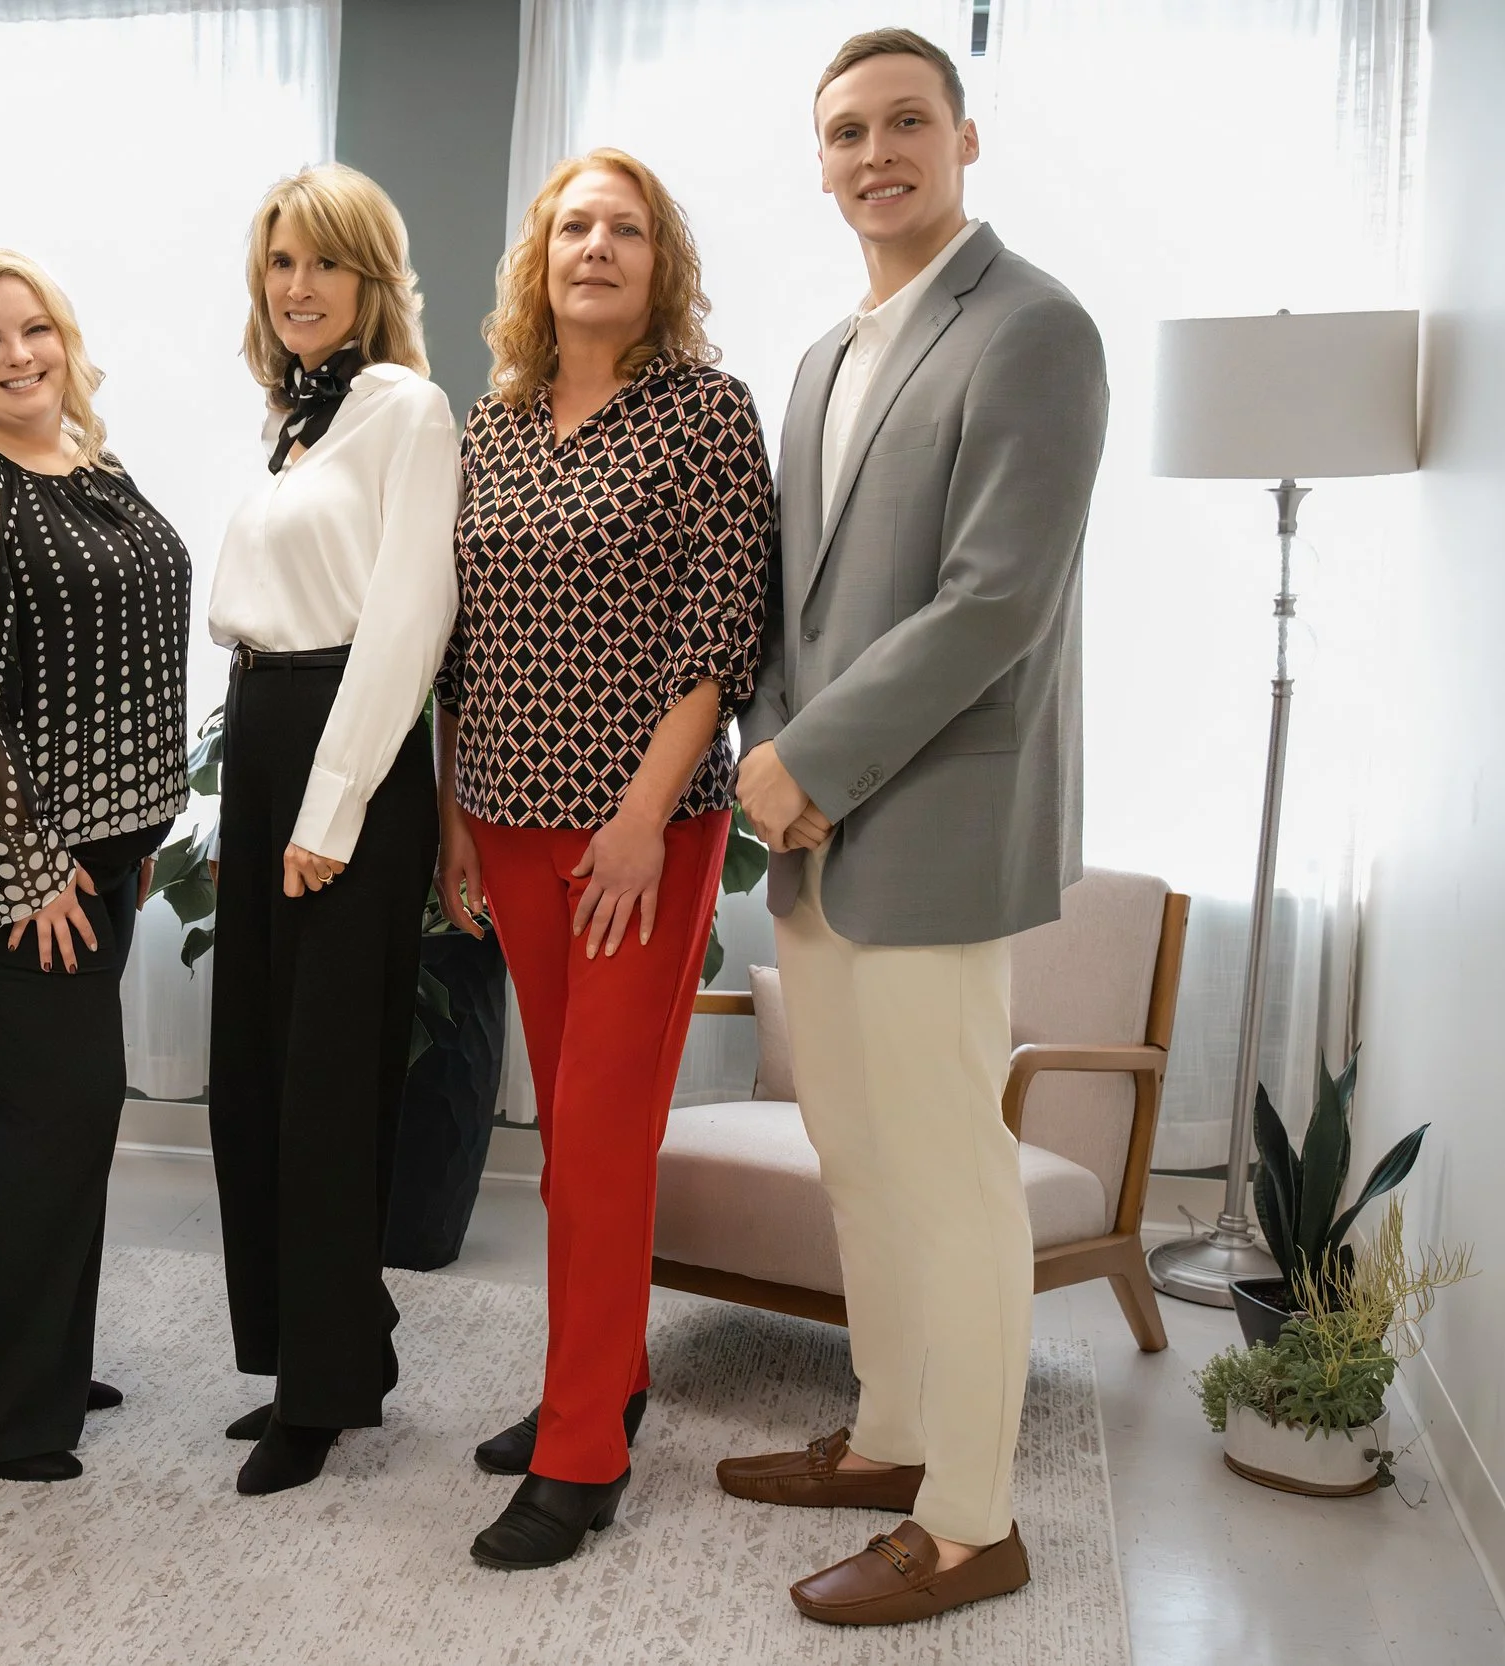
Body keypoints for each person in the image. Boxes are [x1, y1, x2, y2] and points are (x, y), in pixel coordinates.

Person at [724, 29, 1108, 1626]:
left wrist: (808, 761)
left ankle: (970, 1520)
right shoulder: (823, 357)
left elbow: (996, 602)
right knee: (859, 1160)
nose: (874, 154)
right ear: (819, 163)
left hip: (935, 824)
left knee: (951, 1176)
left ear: (964, 137)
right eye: (845, 133)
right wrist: (773, 758)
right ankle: (890, 1436)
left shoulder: (1034, 327)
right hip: (816, 828)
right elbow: (794, 608)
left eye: (904, 124)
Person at [437, 148, 774, 1570]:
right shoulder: (492, 422)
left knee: (597, 1129)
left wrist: (643, 814)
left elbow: (722, 632)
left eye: (626, 229)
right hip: (505, 819)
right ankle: (606, 1372)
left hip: (644, 828)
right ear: (541, 255)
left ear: (660, 260)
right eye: (576, 225)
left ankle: (583, 1453)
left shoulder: (706, 413)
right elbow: (457, 636)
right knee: (578, 1132)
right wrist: (454, 817)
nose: (598, 247)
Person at [0, 251, 190, 1484]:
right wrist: (34, 865)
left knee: (38, 1111)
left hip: (97, 853)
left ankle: (39, 1359)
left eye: (34, 330)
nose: (19, 356)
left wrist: (135, 836)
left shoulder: (91, 466)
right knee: (66, 1105)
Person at [205, 164, 458, 1496]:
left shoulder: (407, 410)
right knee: (255, 1067)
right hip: (262, 738)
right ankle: (327, 1343)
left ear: (373, 279)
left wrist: (333, 802)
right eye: (280, 262)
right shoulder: (293, 420)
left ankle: (324, 1395)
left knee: (324, 1087)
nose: (296, 287)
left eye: (324, 264)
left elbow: (409, 619)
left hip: (339, 751)